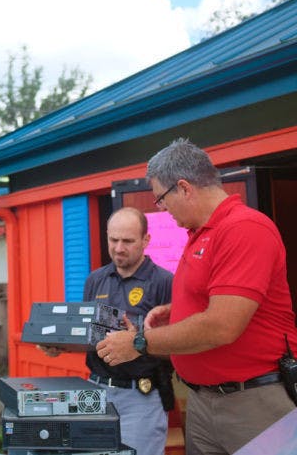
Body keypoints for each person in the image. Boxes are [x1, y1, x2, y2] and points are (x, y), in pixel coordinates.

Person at [97, 138, 297, 455]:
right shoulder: (200, 234)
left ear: (185, 188)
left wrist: (139, 342)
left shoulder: (244, 228)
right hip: (206, 400)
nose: (161, 208)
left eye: (161, 199)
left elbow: (222, 326)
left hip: (251, 401)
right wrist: (175, 310)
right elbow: (219, 298)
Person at [39, 207, 173, 455]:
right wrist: (60, 345)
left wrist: (139, 344)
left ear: (146, 240)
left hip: (141, 399)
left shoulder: (165, 282)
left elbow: (177, 347)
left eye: (128, 241)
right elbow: (90, 336)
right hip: (95, 394)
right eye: (113, 240)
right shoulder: (95, 280)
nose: (119, 248)